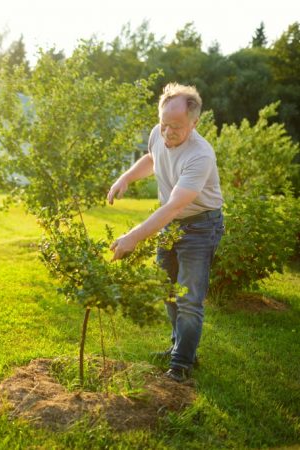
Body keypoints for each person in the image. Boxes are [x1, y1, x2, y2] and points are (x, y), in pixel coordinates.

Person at [107, 83, 224, 382]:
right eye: (164, 124)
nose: (168, 132)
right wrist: (126, 178)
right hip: (171, 225)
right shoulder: (159, 133)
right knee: (167, 290)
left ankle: (182, 364)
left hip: (200, 225)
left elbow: (173, 207)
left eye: (177, 126)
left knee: (188, 297)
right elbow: (152, 157)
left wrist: (133, 236)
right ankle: (180, 348)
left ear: (194, 122)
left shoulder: (200, 155)